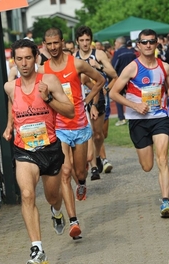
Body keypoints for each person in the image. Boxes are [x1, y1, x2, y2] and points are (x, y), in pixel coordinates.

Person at [3, 39, 74, 264]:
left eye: (28, 58)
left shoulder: (49, 81)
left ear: (36, 58)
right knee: (27, 194)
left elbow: (70, 111)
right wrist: (9, 127)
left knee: (53, 197)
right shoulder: (9, 86)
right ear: (14, 60)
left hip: (50, 148)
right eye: (19, 59)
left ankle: (56, 211)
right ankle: (37, 249)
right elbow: (13, 106)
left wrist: (49, 98)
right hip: (24, 150)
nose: (24, 63)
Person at [40, 27, 104, 239]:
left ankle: (83, 183)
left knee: (80, 173)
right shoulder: (43, 70)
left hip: (78, 125)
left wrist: (87, 101)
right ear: (45, 45)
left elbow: (100, 80)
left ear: (62, 42)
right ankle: (73, 221)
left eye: (56, 43)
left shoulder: (76, 63)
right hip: (58, 128)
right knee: (65, 173)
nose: (53, 47)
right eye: (49, 44)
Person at [110, 29, 169, 218]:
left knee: (162, 158)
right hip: (138, 120)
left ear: (156, 44)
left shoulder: (165, 67)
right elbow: (113, 93)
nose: (148, 45)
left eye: (151, 42)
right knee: (147, 166)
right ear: (138, 45)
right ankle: (163, 197)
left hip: (160, 117)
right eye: (144, 42)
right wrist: (134, 105)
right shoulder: (132, 67)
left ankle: (165, 201)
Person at [75, 26, 118, 181]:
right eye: (82, 40)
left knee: (98, 135)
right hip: (81, 99)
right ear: (77, 42)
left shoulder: (98, 54)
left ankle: (98, 156)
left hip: (98, 96)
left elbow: (114, 74)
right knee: (89, 134)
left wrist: (98, 66)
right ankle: (93, 167)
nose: (85, 43)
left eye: (87, 40)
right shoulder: (74, 58)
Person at [112, 37, 137, 126]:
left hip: (120, 78)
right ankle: (133, 115)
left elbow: (114, 67)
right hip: (133, 78)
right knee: (132, 96)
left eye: (115, 44)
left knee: (118, 97)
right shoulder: (132, 52)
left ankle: (121, 118)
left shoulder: (118, 53)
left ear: (119, 43)